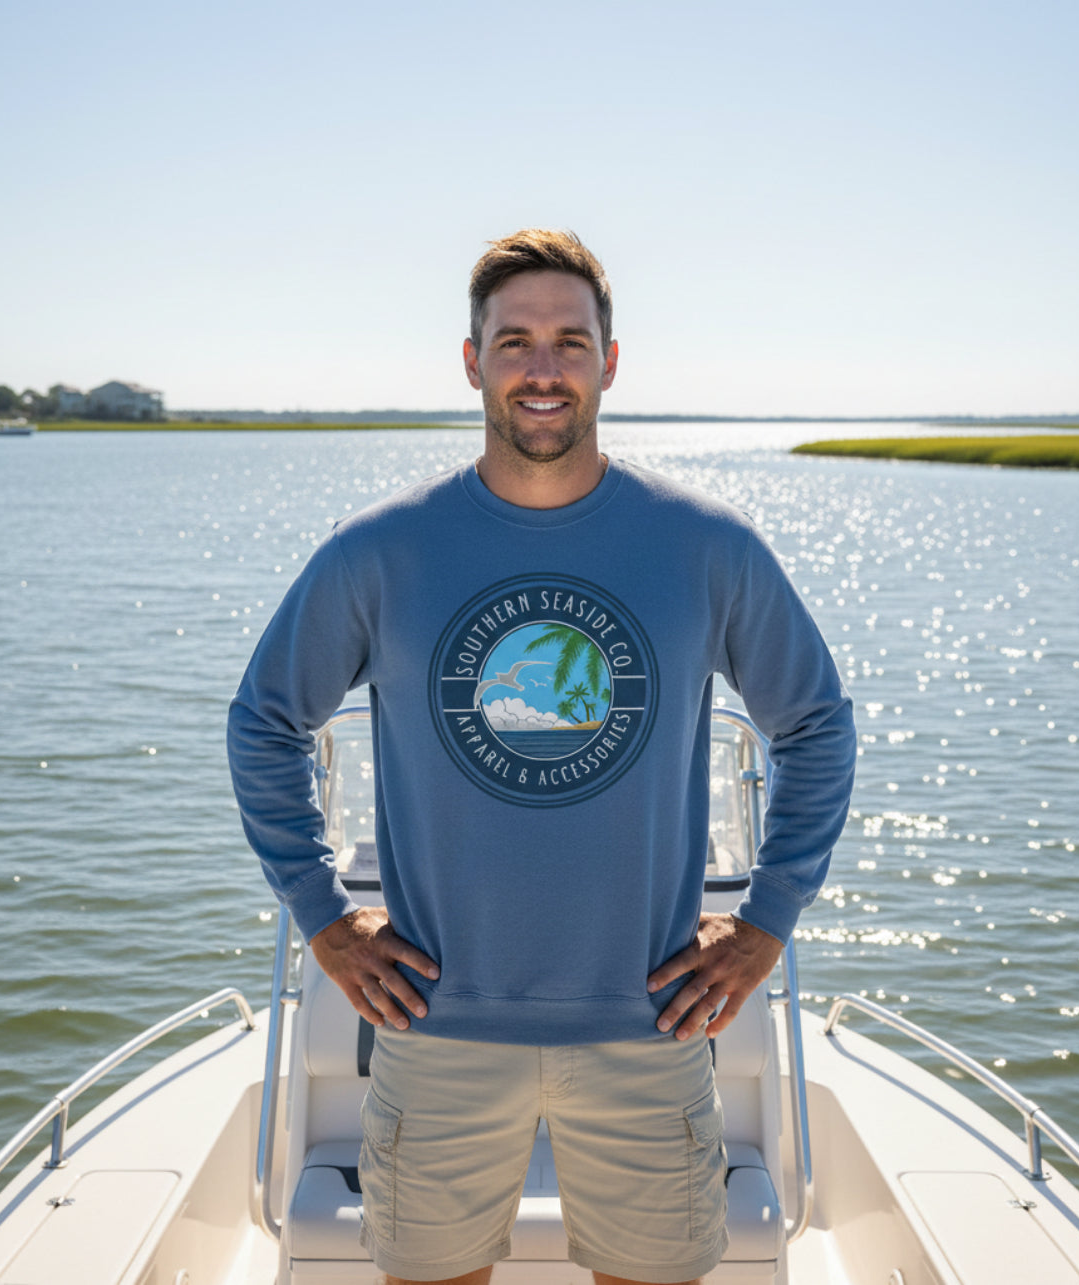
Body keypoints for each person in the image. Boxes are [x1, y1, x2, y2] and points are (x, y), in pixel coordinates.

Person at [228, 229, 855, 1285]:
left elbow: (814, 724)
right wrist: (325, 921)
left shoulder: (706, 545)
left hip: (650, 1025)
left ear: (610, 361)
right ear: (471, 361)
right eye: (514, 341)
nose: (543, 367)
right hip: (433, 1026)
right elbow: (264, 721)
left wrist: (764, 927)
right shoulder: (380, 549)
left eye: (570, 341)